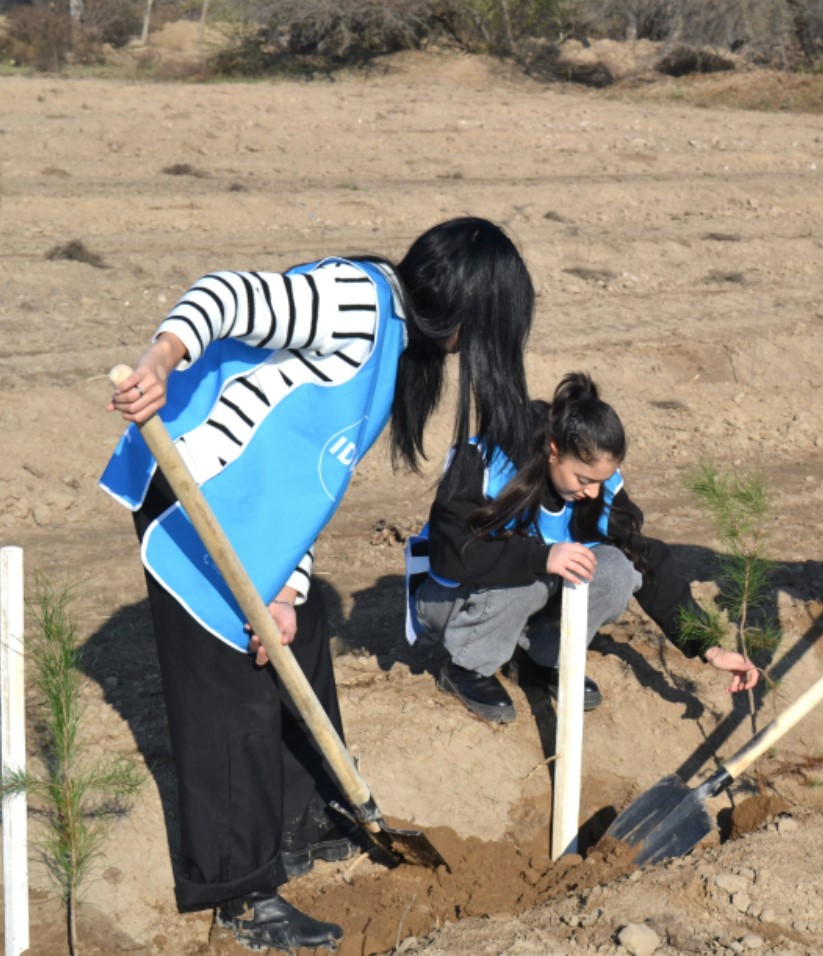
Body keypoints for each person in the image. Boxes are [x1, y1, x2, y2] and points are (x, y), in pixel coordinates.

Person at [101, 217, 537, 952]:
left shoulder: (397, 351)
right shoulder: (356, 298)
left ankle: (308, 825)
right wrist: (162, 357)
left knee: (297, 643)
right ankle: (240, 892)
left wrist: (285, 586)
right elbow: (227, 295)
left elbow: (312, 482)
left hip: (259, 512)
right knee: (228, 689)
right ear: (466, 311)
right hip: (197, 491)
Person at [408, 371, 760, 723]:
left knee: (616, 569)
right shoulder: (486, 461)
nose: (592, 492)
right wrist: (541, 557)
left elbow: (647, 562)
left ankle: (540, 660)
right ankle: (467, 666)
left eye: (601, 482)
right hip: (446, 598)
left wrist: (707, 646)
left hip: (516, 596)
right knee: (534, 573)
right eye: (584, 480)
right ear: (553, 450)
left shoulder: (598, 488)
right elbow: (451, 553)